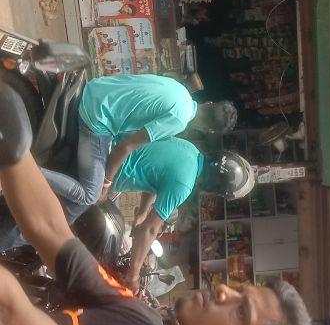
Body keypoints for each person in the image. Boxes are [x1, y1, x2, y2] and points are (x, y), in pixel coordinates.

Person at [0, 86, 312, 325]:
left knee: (85, 196)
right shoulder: (140, 319)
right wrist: (13, 149)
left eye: (240, 311)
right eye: (238, 290)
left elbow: (10, 314)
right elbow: (50, 228)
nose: (222, 291)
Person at [39, 72, 238, 223]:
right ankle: (31, 171)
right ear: (210, 131)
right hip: (97, 120)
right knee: (90, 195)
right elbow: (125, 147)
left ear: (209, 103)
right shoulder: (180, 121)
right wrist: (106, 184)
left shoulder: (180, 90)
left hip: (95, 89)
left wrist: (143, 211)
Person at [112, 139, 254, 292]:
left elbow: (157, 182)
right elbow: (150, 229)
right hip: (107, 172)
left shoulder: (190, 149)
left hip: (112, 149)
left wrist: (142, 213)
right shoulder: (184, 185)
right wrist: (133, 276)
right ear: (217, 187)